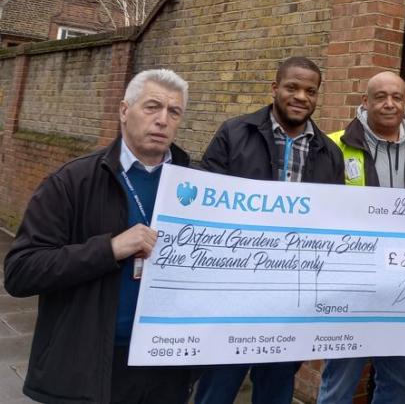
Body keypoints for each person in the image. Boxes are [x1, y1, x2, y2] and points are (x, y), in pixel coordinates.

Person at [4, 69, 193, 404]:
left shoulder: (197, 185)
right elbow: (21, 271)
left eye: (174, 111)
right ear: (124, 110)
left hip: (164, 365)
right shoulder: (72, 181)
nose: (163, 120)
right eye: (152, 107)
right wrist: (110, 248)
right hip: (88, 363)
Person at [194, 56, 345, 404]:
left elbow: (333, 224)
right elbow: (204, 207)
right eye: (292, 87)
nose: (301, 97)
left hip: (289, 297)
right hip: (232, 290)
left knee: (276, 388)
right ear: (275, 88)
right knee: (218, 385)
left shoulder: (329, 153)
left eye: (310, 90)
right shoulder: (235, 134)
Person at [317, 70, 405, 404]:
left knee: (399, 384)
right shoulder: (334, 144)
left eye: (396, 97)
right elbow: (318, 212)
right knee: (339, 382)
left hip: (404, 284)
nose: (389, 104)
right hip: (350, 282)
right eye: (380, 97)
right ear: (365, 102)